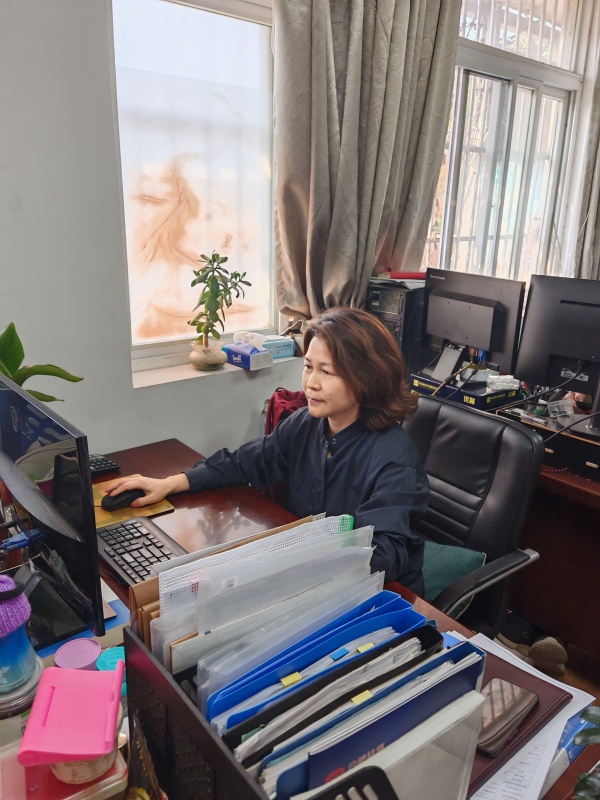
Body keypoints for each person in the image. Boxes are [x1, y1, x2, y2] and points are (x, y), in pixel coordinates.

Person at [103, 307, 430, 592]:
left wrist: (280, 566)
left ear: (366, 379)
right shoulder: (306, 424)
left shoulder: (393, 458)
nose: (311, 383)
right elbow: (243, 463)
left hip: (375, 594)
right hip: (311, 575)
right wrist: (170, 483)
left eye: (327, 372)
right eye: (308, 366)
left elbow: (380, 557)